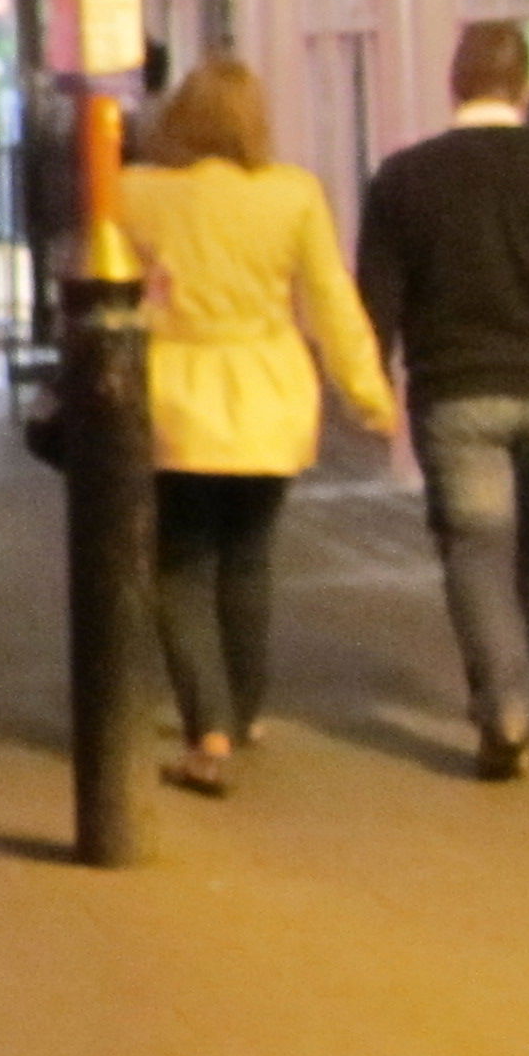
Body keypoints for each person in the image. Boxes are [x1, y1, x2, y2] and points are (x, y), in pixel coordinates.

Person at [355, 19, 529, 779]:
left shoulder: (404, 179)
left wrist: (372, 383)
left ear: (455, 84)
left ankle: (507, 704)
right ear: (526, 88)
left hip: (457, 393)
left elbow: (375, 302)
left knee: (477, 549)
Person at [112, 58, 398, 796]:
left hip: (179, 394)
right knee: (248, 558)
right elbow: (332, 300)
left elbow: (109, 296)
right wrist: (368, 393)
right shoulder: (293, 196)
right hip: (270, 395)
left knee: (181, 564)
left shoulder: (136, 194)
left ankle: (206, 726)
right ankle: (243, 710)